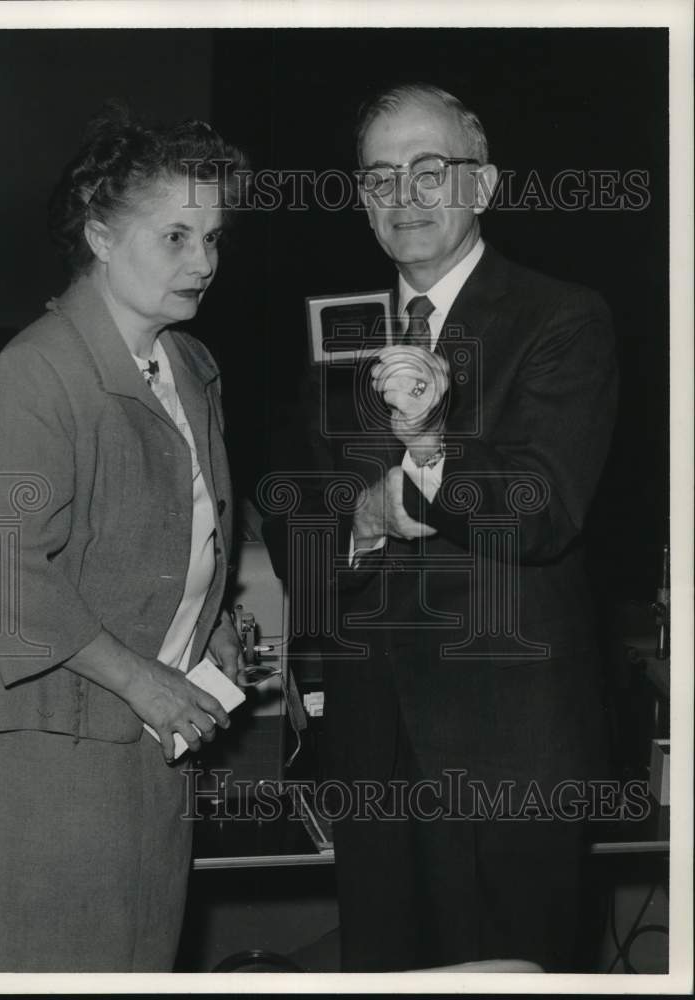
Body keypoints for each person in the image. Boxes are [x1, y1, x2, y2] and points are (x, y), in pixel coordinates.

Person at [263, 83, 618, 972]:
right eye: (381, 177)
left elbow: (543, 507)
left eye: (430, 172)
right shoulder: (336, 332)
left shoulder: (563, 317)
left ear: (486, 184)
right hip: (371, 746)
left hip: (510, 753)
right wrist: (362, 517)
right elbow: (289, 520)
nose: (404, 198)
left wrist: (427, 452)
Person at [0, 108, 249, 972]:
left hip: (151, 737)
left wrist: (208, 619)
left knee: (134, 961)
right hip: (48, 752)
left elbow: (185, 522)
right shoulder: (36, 375)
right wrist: (144, 682)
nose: (205, 263)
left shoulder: (188, 365)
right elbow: (6, 575)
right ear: (102, 236)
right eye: (178, 236)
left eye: (215, 238)